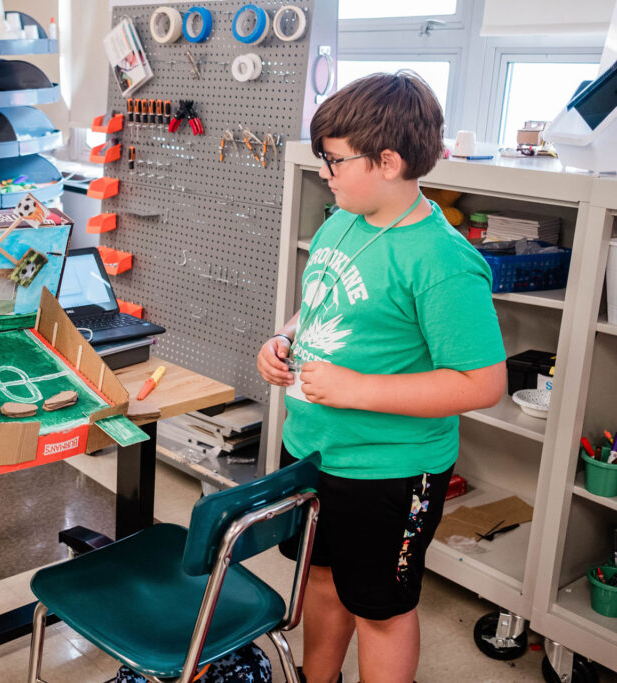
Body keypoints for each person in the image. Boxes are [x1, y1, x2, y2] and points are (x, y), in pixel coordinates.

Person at [257, 71, 506, 683]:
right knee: (320, 578)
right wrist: (285, 336)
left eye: (334, 160)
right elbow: (323, 302)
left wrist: (357, 389)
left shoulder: (443, 261)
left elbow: (482, 383)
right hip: (315, 449)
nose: (324, 172)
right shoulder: (345, 219)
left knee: (382, 610)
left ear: (388, 161)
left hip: (390, 471)